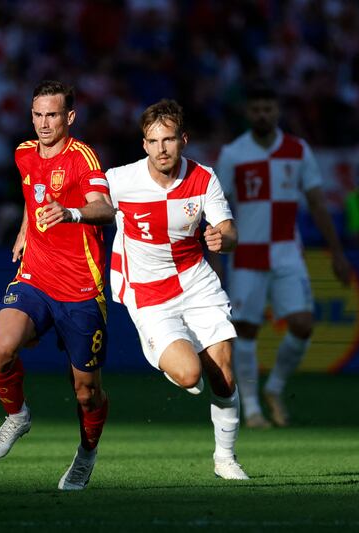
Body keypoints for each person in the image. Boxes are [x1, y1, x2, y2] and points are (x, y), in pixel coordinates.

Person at [108, 99, 249, 480]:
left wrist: (224, 239)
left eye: (169, 140)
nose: (162, 149)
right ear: (143, 144)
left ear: (183, 140)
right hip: (149, 291)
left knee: (224, 374)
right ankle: (178, 361)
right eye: (153, 141)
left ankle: (225, 459)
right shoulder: (120, 180)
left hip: (196, 280)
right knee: (190, 375)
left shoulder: (203, 178)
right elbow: (85, 204)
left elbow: (229, 229)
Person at [0, 80, 115, 491]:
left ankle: (86, 454)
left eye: (52, 115)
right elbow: (32, 195)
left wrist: (72, 214)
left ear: (69, 117)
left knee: (86, 392)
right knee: (1, 348)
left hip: (80, 288)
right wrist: (26, 229)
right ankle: (17, 415)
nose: (44, 123)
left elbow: (105, 208)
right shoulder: (24, 153)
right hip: (35, 275)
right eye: (38, 114)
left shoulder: (82, 157)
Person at [215, 82, 352, 428]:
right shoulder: (233, 154)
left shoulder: (298, 150)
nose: (263, 114)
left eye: (268, 108)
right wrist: (216, 259)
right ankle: (253, 409)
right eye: (257, 109)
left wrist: (337, 253)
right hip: (247, 254)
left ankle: (274, 387)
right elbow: (217, 208)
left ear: (277, 111)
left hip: (287, 252)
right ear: (248, 113)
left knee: (303, 324)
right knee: (244, 330)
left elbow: (318, 204)